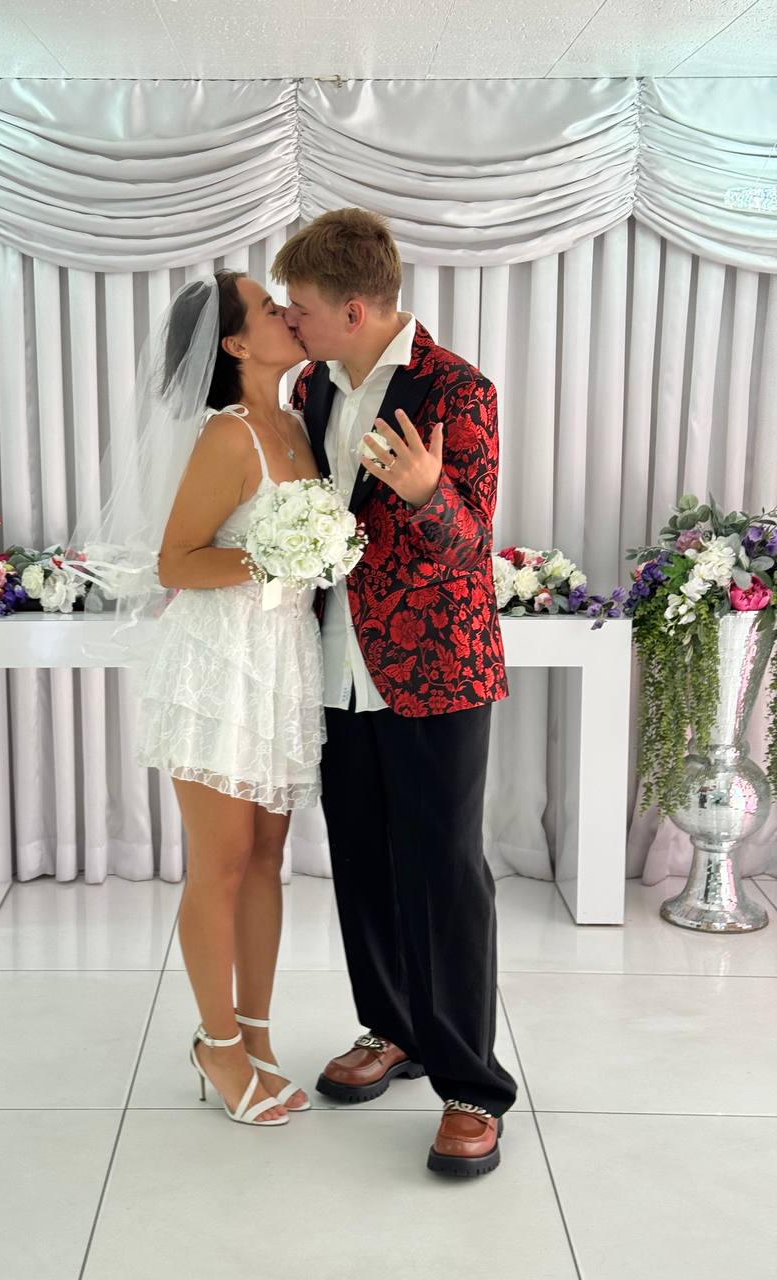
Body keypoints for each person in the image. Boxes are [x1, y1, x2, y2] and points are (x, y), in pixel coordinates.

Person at [271, 208, 518, 1175]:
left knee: (444, 873)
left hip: (437, 668)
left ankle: (471, 1087)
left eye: (300, 306)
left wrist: (426, 492)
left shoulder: (458, 388)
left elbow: (472, 546)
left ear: (354, 309)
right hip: (334, 661)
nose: (290, 320)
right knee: (362, 860)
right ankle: (393, 1028)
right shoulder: (308, 386)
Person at [70, 271, 321, 1127]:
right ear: (237, 344)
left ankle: (256, 1034)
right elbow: (176, 561)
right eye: (270, 308)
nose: (288, 312)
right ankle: (216, 1045)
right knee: (222, 859)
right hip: (220, 661)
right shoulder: (227, 435)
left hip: (283, 658)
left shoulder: (295, 422)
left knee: (267, 857)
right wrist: (274, 557)